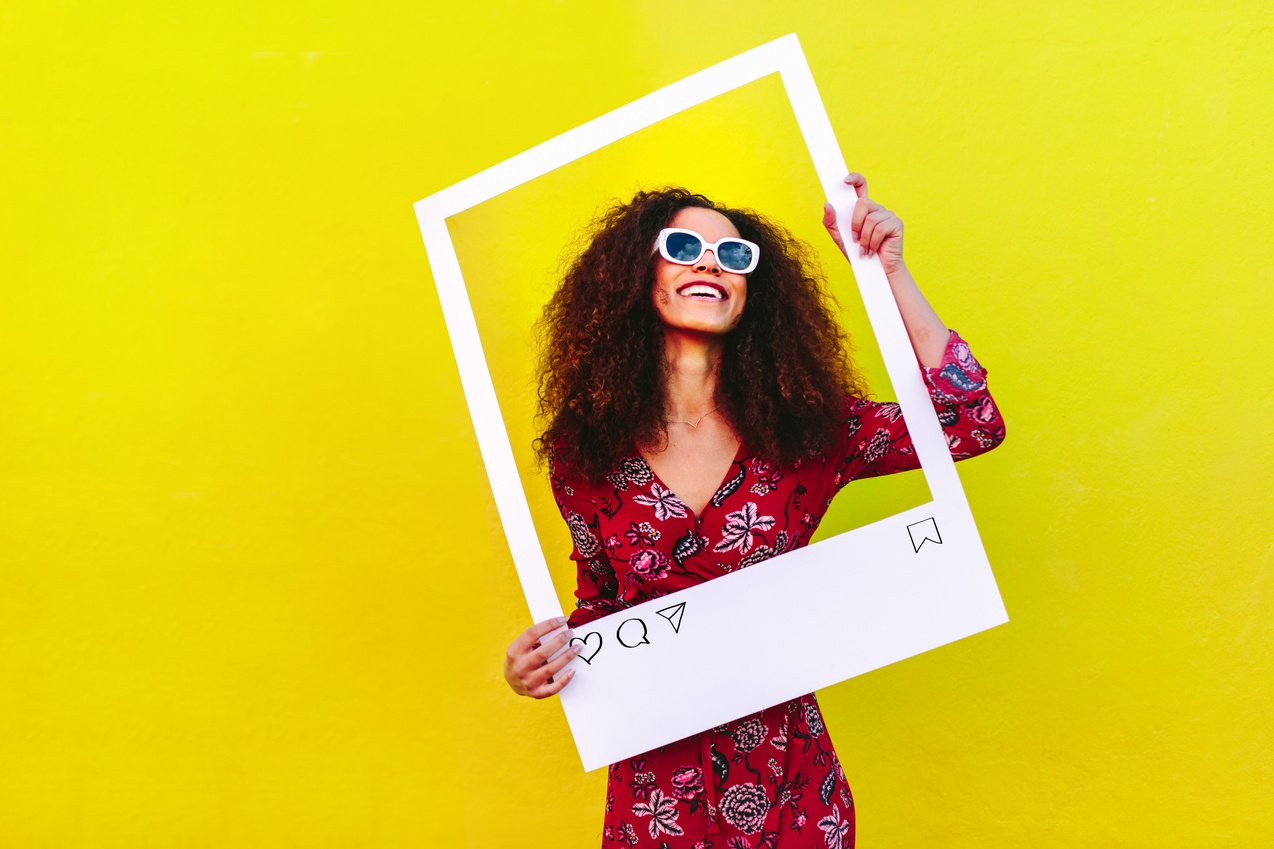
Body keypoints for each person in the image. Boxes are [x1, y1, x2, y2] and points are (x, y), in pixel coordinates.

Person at [503, 174, 1006, 848]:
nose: (711, 262)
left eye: (735, 256)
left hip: (791, 780)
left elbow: (968, 422)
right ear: (637, 273)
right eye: (684, 246)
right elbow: (602, 608)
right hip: (658, 791)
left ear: (752, 295)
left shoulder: (805, 432)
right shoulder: (583, 452)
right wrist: (541, 662)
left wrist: (890, 275)